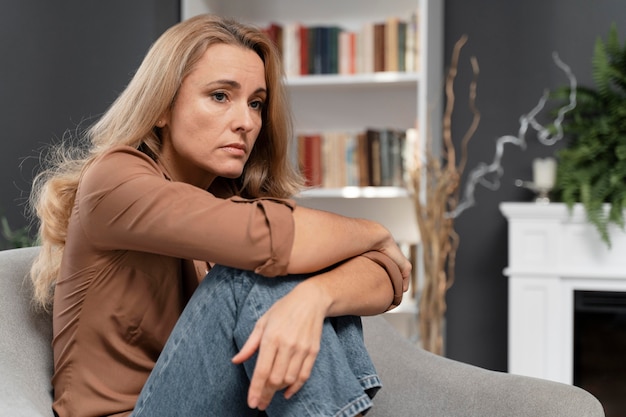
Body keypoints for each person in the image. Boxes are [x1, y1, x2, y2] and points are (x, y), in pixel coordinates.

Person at [29, 14, 412, 417]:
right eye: (219, 96)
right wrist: (375, 230)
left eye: (256, 104)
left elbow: (387, 277)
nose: (246, 122)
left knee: (284, 275)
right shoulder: (114, 180)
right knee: (251, 274)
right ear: (161, 106)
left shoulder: (230, 201)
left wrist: (315, 298)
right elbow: (270, 241)